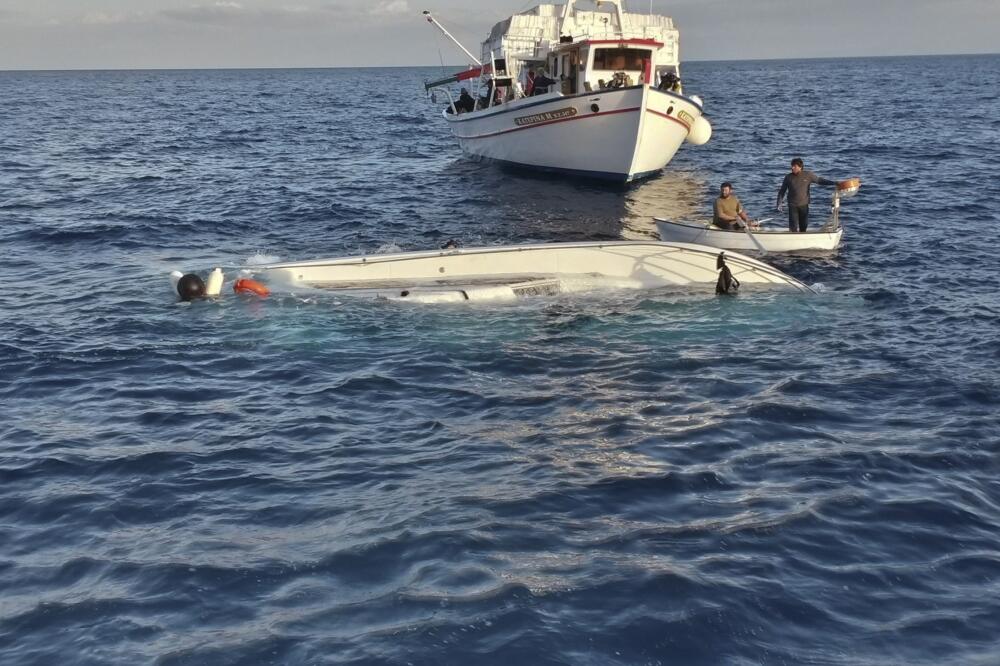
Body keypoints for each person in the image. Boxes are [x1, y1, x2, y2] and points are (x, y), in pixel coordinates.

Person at [776, 157, 836, 232]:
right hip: (792, 205)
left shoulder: (808, 175)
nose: (792, 167)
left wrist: (833, 183)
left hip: (804, 204)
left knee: (803, 225)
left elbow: (819, 180)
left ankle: (802, 239)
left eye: (794, 166)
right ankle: (793, 239)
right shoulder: (788, 177)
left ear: (800, 167)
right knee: (793, 226)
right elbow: (782, 191)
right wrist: (779, 203)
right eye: (792, 166)